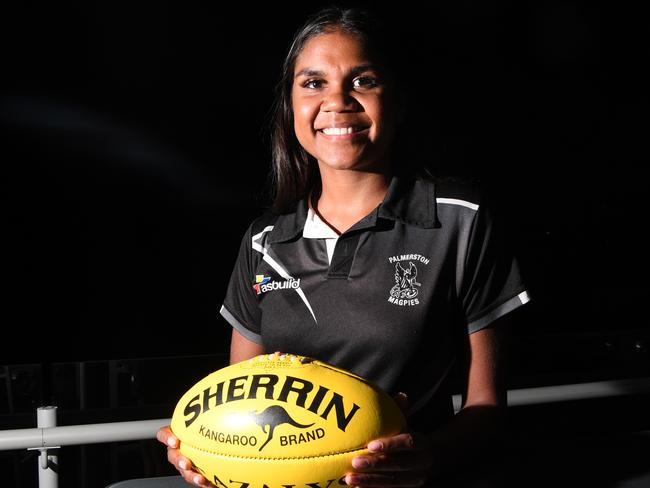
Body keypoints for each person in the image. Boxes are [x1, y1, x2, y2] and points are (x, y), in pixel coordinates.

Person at [157, 5, 531, 487]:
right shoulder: (263, 240)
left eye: (363, 80)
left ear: (396, 99)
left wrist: (428, 458)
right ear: (290, 105)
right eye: (313, 83)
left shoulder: (460, 219)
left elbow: (487, 406)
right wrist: (202, 452)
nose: (337, 101)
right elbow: (238, 400)